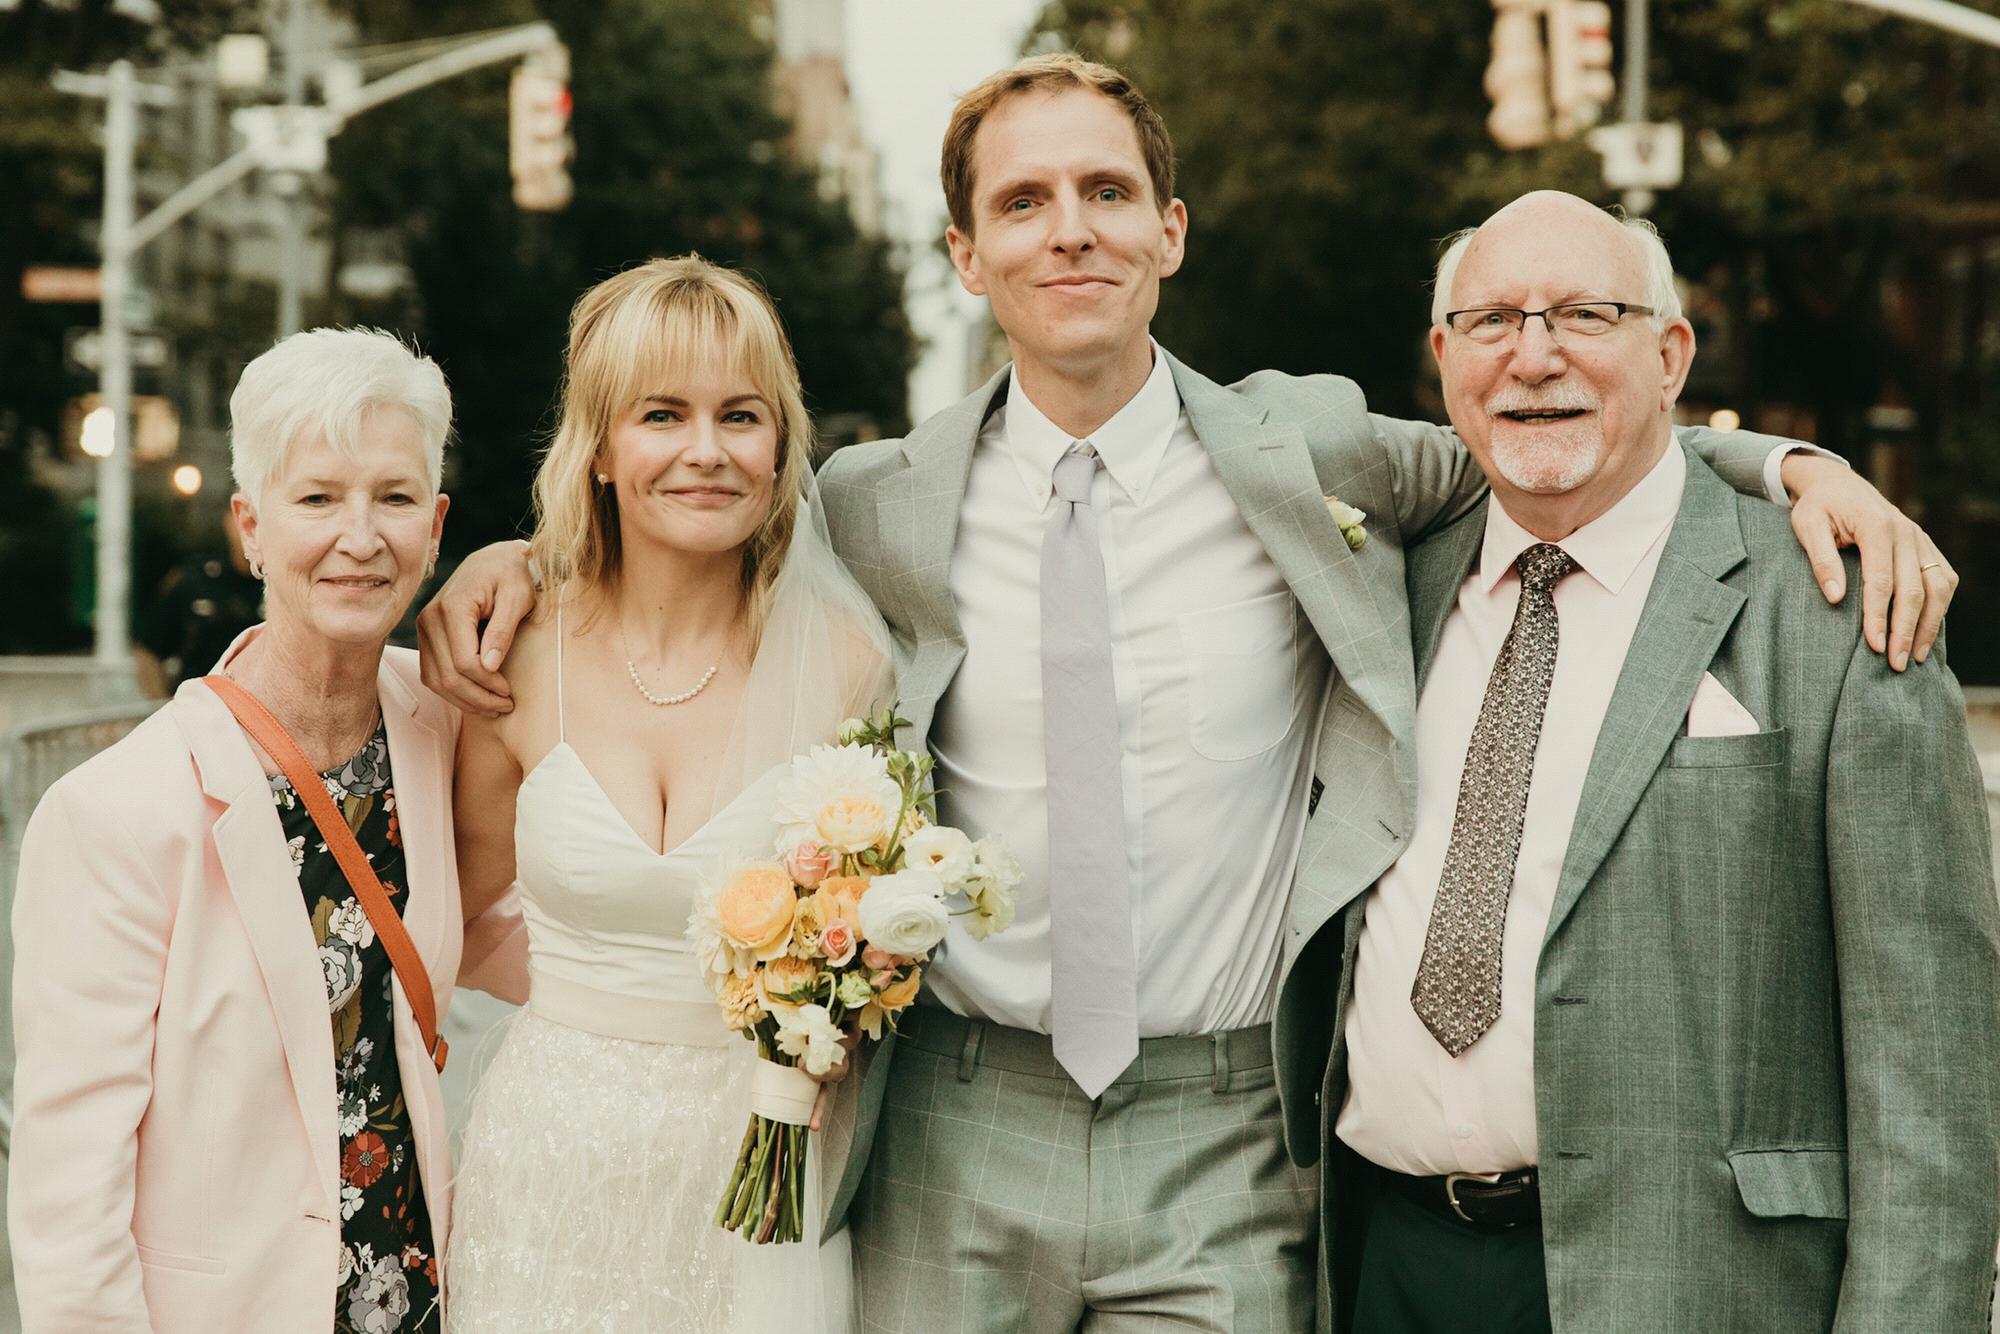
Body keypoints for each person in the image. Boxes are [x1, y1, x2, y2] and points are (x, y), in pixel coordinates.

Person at [416, 57, 1958, 1333]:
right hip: (961, 1112)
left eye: (1104, 194)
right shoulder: (879, 502)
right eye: (1021, 202)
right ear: (967, 255)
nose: (1066, 231)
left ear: (1169, 230)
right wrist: (512, 561)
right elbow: (680, 513)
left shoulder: (1317, 460)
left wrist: (1785, 464)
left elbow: (1557, 439)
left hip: (1227, 1132)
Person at [1318, 190, 2000, 1334]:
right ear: (1442, 357)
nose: (1532, 356)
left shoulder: (1843, 609)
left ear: (1670, 352)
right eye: (1490, 321)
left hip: (1698, 1283)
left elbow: (1931, 1075)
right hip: (1384, 1264)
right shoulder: (1378, 583)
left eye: (1584, 314)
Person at [9, 327, 527, 1332]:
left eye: (395, 496)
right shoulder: (116, 811)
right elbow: (68, 1189)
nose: (360, 535)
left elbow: (520, 933)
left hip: (420, 1296)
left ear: (437, 523)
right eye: (318, 497)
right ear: (249, 525)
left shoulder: (448, 725)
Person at [441, 256, 892, 1332]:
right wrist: (587, 987)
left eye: (739, 415)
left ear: (779, 443)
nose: (705, 450)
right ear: (599, 446)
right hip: (544, 1161)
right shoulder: (512, 651)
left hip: (757, 1160)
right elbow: (447, 918)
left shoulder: (845, 663)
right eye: (660, 414)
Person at [134, 510, 264, 698]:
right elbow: (148, 650)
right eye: (246, 519)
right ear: (230, 520)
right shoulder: (196, 581)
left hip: (265, 717)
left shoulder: (288, 585)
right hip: (198, 712)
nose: (251, 530)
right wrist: (163, 709)